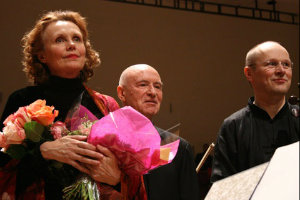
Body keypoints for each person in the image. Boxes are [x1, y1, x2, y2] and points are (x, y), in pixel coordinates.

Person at [0, 10, 121, 199]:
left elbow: (131, 174)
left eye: (77, 39)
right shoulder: (21, 101)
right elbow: (3, 168)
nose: (71, 45)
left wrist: (118, 178)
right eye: (59, 40)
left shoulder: (106, 105)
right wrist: (44, 152)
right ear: (42, 56)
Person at [211, 41, 299, 182]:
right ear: (249, 73)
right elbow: (222, 188)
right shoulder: (232, 126)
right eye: (272, 64)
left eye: (286, 64)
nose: (281, 70)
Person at [117, 64, 200, 200]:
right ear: (121, 93)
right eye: (143, 85)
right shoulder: (105, 142)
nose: (152, 92)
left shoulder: (179, 148)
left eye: (157, 86)